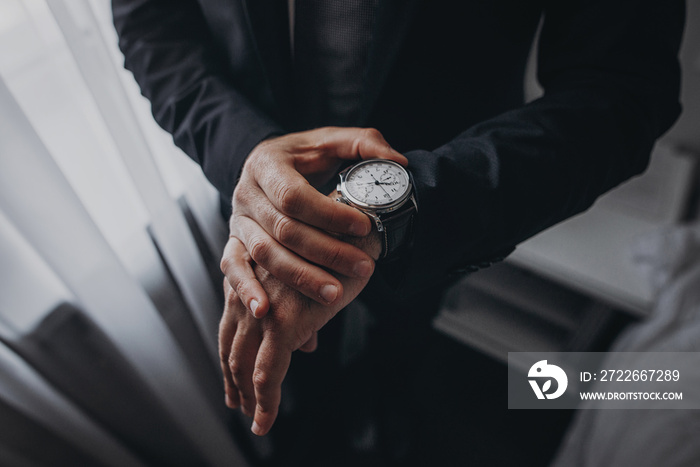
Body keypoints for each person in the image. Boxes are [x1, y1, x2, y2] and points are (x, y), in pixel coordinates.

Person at [112, 0, 685, 463]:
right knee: (289, 379)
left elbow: (622, 87)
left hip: (444, 204)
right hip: (251, 197)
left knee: (402, 341)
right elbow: (150, 22)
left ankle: (386, 412)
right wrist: (250, 157)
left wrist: (411, 210)